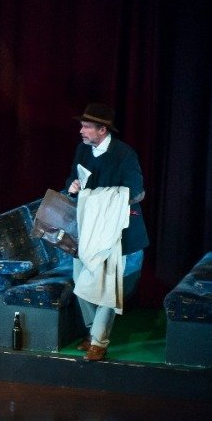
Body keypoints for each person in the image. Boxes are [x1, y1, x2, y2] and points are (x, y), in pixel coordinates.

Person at [64, 103, 149, 361]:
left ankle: (99, 343)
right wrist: (73, 187)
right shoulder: (82, 149)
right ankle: (93, 333)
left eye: (87, 127)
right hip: (87, 230)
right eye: (82, 126)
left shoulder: (124, 154)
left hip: (115, 233)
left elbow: (137, 192)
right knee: (80, 282)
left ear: (102, 130)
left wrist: (99, 199)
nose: (81, 131)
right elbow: (71, 179)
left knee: (108, 287)